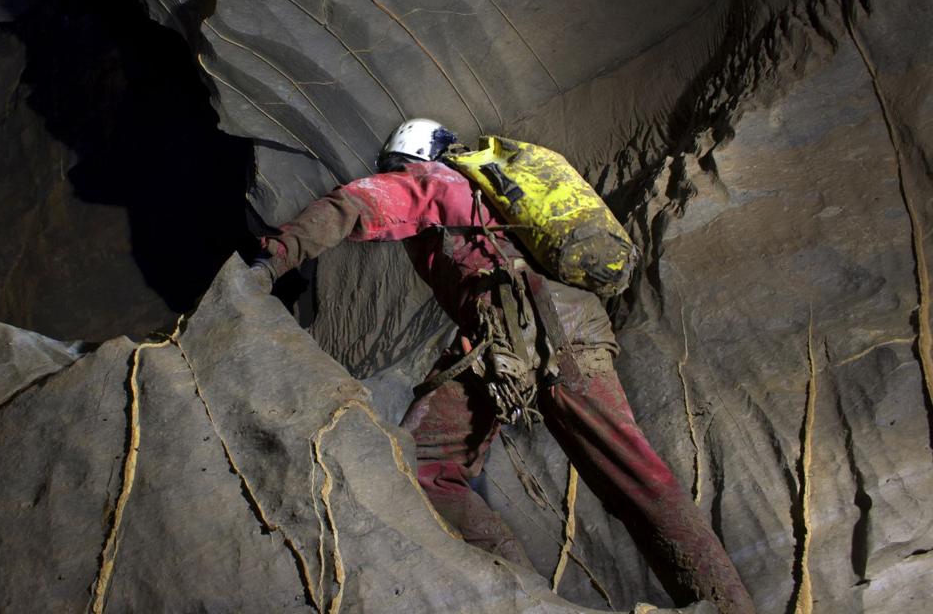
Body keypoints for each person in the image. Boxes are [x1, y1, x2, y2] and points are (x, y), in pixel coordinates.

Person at [250, 118, 755, 614]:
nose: (391, 176)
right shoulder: (482, 195)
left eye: (393, 168)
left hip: (547, 339)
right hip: (522, 339)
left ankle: (724, 605)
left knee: (628, 476)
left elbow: (353, 204)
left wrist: (272, 261)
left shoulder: (432, 181)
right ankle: (523, 597)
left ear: (408, 160)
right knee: (428, 464)